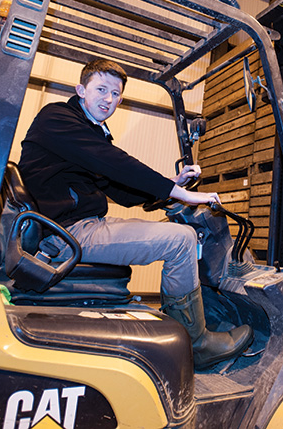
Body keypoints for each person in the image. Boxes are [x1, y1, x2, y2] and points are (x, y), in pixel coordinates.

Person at [18, 58, 252, 369]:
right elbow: (116, 163)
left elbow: (120, 189)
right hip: (68, 233)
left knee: (174, 233)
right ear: (80, 90)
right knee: (182, 239)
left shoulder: (87, 132)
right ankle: (197, 345)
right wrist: (181, 194)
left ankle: (183, 327)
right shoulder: (57, 119)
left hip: (78, 226)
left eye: (116, 94)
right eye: (101, 90)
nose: (109, 100)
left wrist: (170, 184)